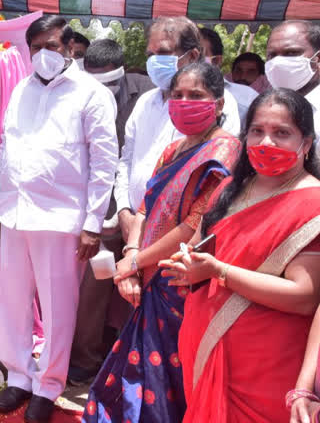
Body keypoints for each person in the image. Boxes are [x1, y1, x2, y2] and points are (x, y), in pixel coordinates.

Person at [84, 62, 240, 423]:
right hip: (148, 275)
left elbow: (193, 226)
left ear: (217, 103)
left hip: (181, 284)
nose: (184, 102)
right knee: (132, 376)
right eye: (178, 95)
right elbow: (144, 207)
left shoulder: (226, 153)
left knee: (171, 377)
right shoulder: (173, 151)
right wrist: (133, 256)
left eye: (196, 96)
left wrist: (137, 264)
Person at [160, 89, 320, 423]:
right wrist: (189, 264)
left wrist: (220, 271)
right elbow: (203, 248)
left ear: (306, 142)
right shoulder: (229, 189)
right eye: (257, 131)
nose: (267, 143)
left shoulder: (312, 204)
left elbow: (305, 297)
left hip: (265, 362)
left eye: (282, 133)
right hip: (204, 343)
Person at [0, 15, 118, 423]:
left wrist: (93, 222)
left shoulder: (91, 94)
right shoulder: (21, 90)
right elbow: (9, 148)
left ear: (69, 47)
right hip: (15, 214)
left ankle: (48, 385)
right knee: (12, 302)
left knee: (60, 309)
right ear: (29, 51)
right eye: (38, 47)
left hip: (63, 220)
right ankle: (18, 377)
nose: (46, 54)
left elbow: (104, 161)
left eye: (54, 46)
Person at [68, 39, 154, 385]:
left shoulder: (147, 94)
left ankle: (140, 364)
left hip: (144, 212)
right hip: (99, 211)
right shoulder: (77, 92)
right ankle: (86, 360)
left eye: (109, 86)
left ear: (123, 76)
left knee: (146, 291)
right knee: (94, 287)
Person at [114, 17, 241, 247]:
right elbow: (127, 159)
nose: (153, 61)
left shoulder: (217, 103)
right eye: (150, 54)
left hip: (182, 239)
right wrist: (124, 211)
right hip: (135, 226)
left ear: (192, 56)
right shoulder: (144, 102)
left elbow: (216, 182)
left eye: (162, 53)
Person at [265, 20, 320, 141]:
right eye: (272, 55)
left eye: (291, 53)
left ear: (318, 59)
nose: (278, 62)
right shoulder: (263, 106)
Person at [200, 26, 257, 121]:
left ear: (216, 60)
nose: (189, 60)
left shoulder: (248, 98)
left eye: (197, 55)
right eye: (185, 54)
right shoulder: (169, 95)